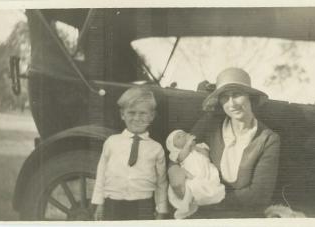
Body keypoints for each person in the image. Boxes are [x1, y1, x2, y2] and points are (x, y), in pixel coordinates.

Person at [168, 68, 281, 218]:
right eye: (225, 97)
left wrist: (205, 198)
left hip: (241, 216)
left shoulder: (268, 139)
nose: (231, 103)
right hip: (198, 209)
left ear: (250, 97)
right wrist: (173, 170)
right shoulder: (210, 124)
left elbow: (258, 196)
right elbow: (178, 148)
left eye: (237, 95)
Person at [92, 87, 168, 220]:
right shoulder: (111, 142)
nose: (137, 118)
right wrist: (99, 203)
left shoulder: (156, 148)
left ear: (152, 116)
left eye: (143, 113)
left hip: (143, 205)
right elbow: (101, 174)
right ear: (122, 114)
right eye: (131, 112)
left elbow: (161, 183)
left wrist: (161, 210)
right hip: (113, 204)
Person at [166, 130, 225, 219]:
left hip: (205, 169)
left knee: (210, 184)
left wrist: (195, 148)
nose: (182, 136)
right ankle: (187, 206)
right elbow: (181, 158)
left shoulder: (199, 146)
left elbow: (206, 155)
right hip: (192, 172)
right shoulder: (178, 153)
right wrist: (188, 145)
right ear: (174, 147)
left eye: (184, 134)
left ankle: (206, 198)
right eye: (178, 137)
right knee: (191, 185)